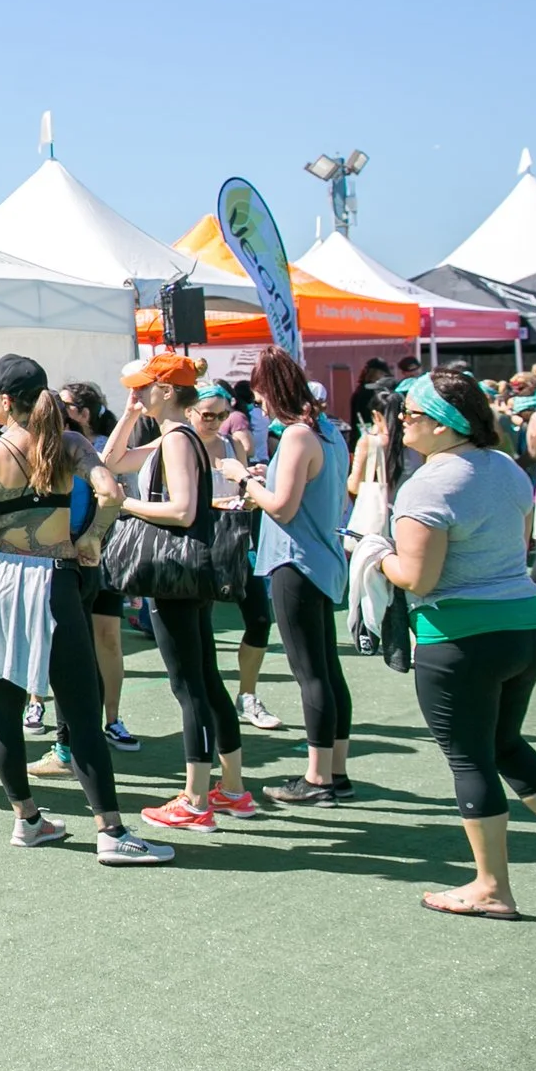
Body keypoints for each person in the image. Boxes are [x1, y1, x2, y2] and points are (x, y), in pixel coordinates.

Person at [378, 369, 536, 915]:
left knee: (470, 760)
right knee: (506, 744)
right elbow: (517, 539)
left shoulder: (428, 484)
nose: (401, 422)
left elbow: (418, 578)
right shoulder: (506, 466)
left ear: (443, 425)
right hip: (526, 626)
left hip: (462, 638)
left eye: (411, 414)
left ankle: (491, 887)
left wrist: (375, 552)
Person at [0, 354, 171, 865]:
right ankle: (110, 831)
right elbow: (111, 492)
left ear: (4, 401)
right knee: (80, 709)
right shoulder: (70, 443)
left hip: (0, 582)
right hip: (54, 579)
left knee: (5, 707)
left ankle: (27, 819)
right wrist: (91, 539)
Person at [124, 353, 254, 833]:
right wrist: (129, 415)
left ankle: (196, 799)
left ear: (165, 391)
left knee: (189, 686)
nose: (136, 394)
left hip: (174, 573)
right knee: (205, 679)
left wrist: (126, 504)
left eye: (143, 388)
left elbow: (182, 510)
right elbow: (112, 460)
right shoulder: (177, 436)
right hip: (189, 570)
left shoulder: (177, 439)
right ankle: (232, 789)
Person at [227, 349, 355, 805]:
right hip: (322, 560)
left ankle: (318, 779)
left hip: (296, 562)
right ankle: (335, 773)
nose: (257, 404)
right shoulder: (328, 432)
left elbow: (282, 508)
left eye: (259, 394)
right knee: (327, 669)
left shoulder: (299, 434)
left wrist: (244, 479)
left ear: (271, 390)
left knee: (310, 673)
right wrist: (268, 478)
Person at [190, 381, 283, 735]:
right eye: (208, 415)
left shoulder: (231, 446)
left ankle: (247, 695)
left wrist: (251, 493)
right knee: (202, 629)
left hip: (236, 543)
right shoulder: (181, 445)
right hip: (198, 548)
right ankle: (209, 702)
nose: (216, 422)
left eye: (223, 415)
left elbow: (244, 495)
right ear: (190, 412)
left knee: (259, 619)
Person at [60, 382, 134, 751]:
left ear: (84, 413)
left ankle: (112, 719)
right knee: (65, 640)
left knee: (107, 638)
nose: (55, 409)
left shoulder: (106, 448)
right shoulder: (55, 446)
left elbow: (119, 495)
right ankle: (41, 709)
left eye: (65, 405)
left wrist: (93, 535)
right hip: (68, 556)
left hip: (106, 553)